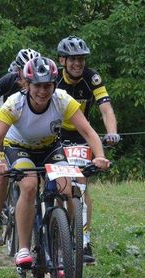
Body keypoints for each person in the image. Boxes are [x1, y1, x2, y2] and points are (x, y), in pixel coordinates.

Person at [0, 56, 110, 267]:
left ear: (55, 84)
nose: (43, 91)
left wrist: (99, 156)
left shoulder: (62, 99)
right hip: (19, 148)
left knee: (67, 187)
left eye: (48, 86)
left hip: (50, 147)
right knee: (29, 185)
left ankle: (64, 240)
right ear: (27, 84)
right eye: (38, 86)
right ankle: (24, 248)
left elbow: (88, 131)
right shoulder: (15, 103)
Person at [56, 35, 120, 265]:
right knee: (59, 185)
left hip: (82, 135)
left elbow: (105, 109)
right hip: (56, 134)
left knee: (81, 186)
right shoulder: (54, 78)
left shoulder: (91, 78)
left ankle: (84, 241)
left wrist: (111, 131)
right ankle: (54, 230)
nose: (78, 64)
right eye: (73, 60)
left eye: (81, 59)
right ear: (63, 61)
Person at [0, 48, 40, 245]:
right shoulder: (9, 80)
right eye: (26, 69)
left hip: (25, 127)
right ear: (18, 70)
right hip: (2, 122)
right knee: (2, 172)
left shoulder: (42, 84)